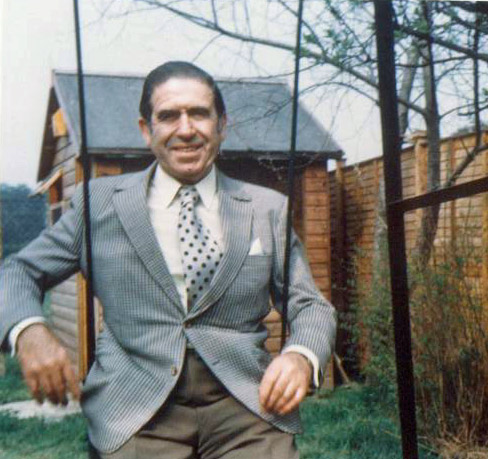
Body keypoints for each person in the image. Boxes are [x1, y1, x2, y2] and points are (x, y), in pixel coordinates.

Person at [0, 61, 336, 458]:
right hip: (134, 410)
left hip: (247, 406)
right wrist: (30, 332)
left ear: (222, 125)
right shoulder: (99, 204)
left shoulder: (267, 208)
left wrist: (300, 356)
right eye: (169, 116)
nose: (186, 129)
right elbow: (18, 271)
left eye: (199, 113)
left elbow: (310, 304)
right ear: (147, 129)